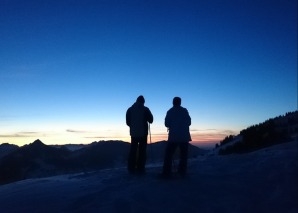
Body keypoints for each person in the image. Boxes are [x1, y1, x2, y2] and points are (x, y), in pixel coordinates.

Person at [161, 97, 191, 178]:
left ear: (173, 102)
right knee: (183, 155)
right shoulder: (184, 111)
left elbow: (166, 123)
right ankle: (182, 172)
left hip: (173, 136)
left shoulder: (170, 111)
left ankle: (166, 172)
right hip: (184, 136)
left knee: (169, 154)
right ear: (180, 102)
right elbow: (189, 122)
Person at [126, 95, 153, 174]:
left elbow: (128, 122)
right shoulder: (145, 109)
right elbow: (151, 120)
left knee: (133, 150)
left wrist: (134, 126)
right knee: (142, 151)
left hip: (133, 133)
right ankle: (140, 168)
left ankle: (131, 168)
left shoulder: (130, 109)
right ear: (143, 102)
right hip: (143, 133)